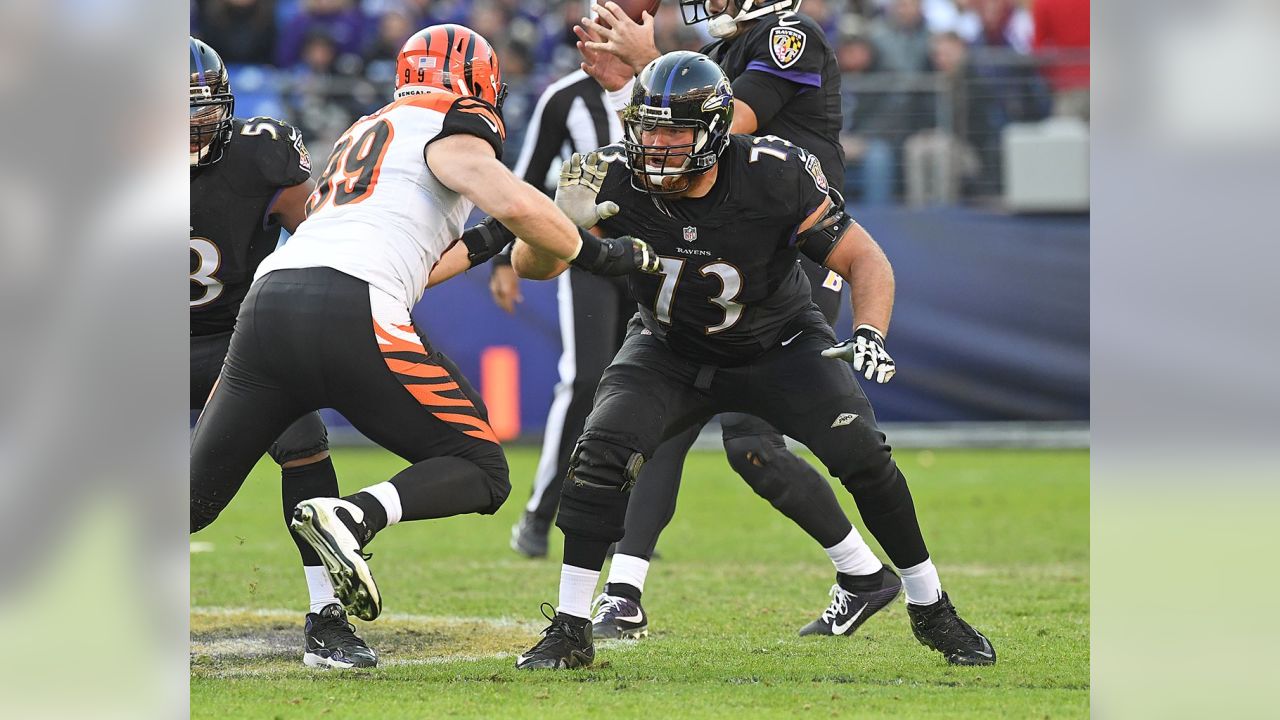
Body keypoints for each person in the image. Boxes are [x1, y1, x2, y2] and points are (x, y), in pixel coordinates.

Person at [513, 51, 995, 670]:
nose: (656, 145)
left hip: (779, 346)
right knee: (601, 451)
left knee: (866, 460)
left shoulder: (774, 171)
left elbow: (863, 259)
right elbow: (530, 270)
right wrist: (557, 234)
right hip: (668, 348)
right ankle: (572, 626)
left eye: (674, 132)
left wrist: (871, 330)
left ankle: (932, 608)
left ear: (714, 131)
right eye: (647, 128)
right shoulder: (609, 175)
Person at [189, 24, 658, 650]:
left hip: (268, 307)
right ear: (477, 83)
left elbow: (429, 263)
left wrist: (499, 235)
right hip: (352, 305)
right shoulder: (452, 118)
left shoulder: (371, 128)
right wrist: (601, 256)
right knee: (482, 468)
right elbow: (509, 201)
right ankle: (353, 516)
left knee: (193, 503)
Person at [571, 1, 890, 641]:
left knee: (752, 443)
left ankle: (868, 576)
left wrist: (647, 59)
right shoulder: (723, 53)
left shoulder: (788, 35)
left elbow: (729, 129)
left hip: (790, 255)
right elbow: (686, 137)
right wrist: (645, 84)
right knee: (661, 421)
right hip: (729, 248)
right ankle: (624, 592)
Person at [188, 36, 377, 670]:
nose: (192, 130)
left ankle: (328, 616)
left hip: (238, 338)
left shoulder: (258, 154)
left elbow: (320, 233)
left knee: (304, 441)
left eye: (202, 112)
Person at [493, 66, 634, 559]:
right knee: (586, 379)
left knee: (647, 385)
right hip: (586, 258)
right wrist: (504, 259)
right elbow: (526, 178)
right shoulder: (564, 97)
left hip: (651, 260)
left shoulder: (663, 81)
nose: (595, 41)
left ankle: (629, 526)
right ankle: (538, 513)